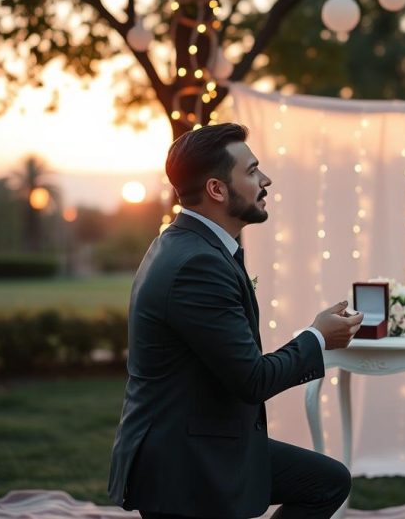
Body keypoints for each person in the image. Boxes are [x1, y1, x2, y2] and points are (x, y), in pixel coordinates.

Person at [108, 122, 364, 519]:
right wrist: (317, 337)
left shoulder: (188, 243)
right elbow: (253, 380)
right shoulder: (198, 263)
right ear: (216, 189)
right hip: (183, 463)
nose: (266, 180)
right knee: (325, 483)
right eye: (251, 171)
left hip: (203, 438)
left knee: (326, 481)